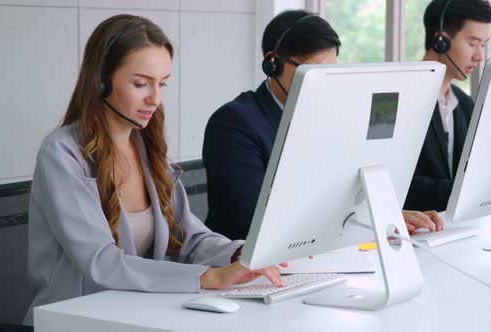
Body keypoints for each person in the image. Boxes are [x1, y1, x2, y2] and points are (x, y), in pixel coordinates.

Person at [23, 14, 283, 325]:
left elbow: (189, 239)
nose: (155, 98)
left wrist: (241, 255)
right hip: (76, 321)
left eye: (162, 83)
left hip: (140, 318)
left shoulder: (146, 149)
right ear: (101, 81)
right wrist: (208, 278)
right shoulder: (62, 154)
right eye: (140, 83)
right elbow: (101, 262)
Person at [203, 9, 443, 241]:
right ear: (272, 64)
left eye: (329, 72)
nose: (321, 84)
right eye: (312, 72)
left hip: (320, 256)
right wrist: (369, 223)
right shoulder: (233, 124)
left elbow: (345, 197)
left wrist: (387, 218)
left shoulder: (331, 119)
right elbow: (253, 221)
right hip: (245, 270)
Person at [404, 0, 491, 212]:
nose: (480, 56)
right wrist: (473, 190)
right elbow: (402, 186)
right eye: (473, 43)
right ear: (441, 41)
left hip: (455, 231)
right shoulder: (402, 102)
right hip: (414, 235)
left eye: (483, 45)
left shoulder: (464, 105)